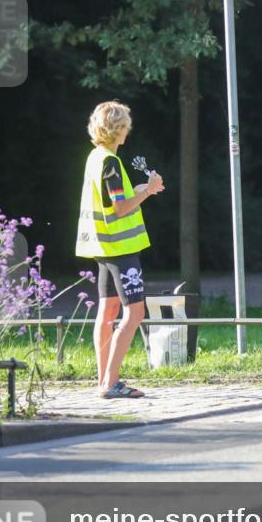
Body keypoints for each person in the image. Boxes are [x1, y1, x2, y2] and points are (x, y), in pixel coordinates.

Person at [75, 101, 165, 398]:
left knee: (107, 311)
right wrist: (148, 192)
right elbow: (120, 208)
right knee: (134, 314)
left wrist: (141, 190)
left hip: (102, 246)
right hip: (121, 249)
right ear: (117, 129)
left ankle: (103, 380)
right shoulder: (111, 162)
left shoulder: (95, 158)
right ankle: (111, 383)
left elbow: (114, 199)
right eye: (126, 125)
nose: (128, 129)